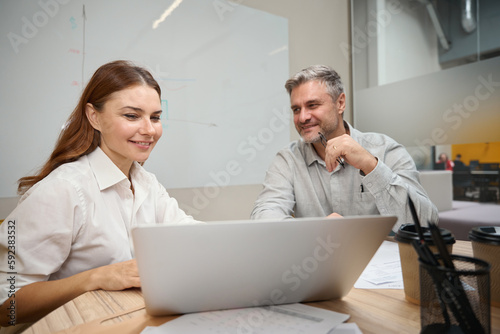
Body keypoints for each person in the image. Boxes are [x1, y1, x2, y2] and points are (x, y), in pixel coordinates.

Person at [0, 60, 200, 331]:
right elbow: (6, 306)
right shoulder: (63, 189)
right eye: (132, 116)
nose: (149, 130)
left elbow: (195, 240)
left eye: (155, 117)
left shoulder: (146, 183)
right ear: (94, 117)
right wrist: (96, 278)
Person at [250, 65, 438, 232]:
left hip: (381, 266)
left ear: (340, 103)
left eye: (312, 105)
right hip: (317, 266)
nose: (302, 117)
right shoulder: (288, 160)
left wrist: (371, 166)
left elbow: (426, 223)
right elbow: (264, 218)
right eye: (296, 109)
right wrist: (316, 229)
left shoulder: (386, 149)